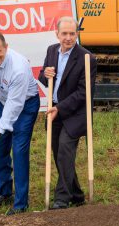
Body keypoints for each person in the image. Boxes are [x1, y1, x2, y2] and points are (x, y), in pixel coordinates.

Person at [38, 17, 97, 210]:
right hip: (54, 110)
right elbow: (45, 79)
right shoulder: (51, 51)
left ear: (77, 34)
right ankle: (77, 194)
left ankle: (62, 198)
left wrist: (60, 108)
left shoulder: (87, 58)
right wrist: (44, 74)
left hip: (76, 113)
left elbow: (83, 92)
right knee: (60, 155)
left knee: (64, 148)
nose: (68, 38)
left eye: (72, 34)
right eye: (64, 34)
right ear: (57, 34)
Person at [0, 31, 40, 215]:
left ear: (6, 47)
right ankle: (5, 192)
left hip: (25, 105)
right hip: (3, 100)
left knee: (19, 150)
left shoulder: (19, 68)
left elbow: (15, 105)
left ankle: (21, 203)